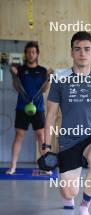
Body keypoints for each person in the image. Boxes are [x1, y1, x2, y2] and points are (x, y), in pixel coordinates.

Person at [43, 31, 91, 215]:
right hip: (68, 139)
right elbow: (51, 114)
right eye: (78, 49)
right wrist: (46, 147)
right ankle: (69, 196)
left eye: (87, 49)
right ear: (72, 52)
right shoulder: (60, 80)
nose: (82, 53)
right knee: (69, 191)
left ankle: (85, 208)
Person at [6, 41, 52, 175]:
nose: (31, 54)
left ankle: (45, 167)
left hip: (38, 108)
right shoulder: (20, 69)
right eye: (28, 52)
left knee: (41, 137)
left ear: (37, 54)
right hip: (22, 108)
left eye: (33, 52)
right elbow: (16, 88)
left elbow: (44, 90)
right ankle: (13, 167)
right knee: (19, 136)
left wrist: (48, 78)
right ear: (26, 54)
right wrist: (13, 75)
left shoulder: (43, 70)